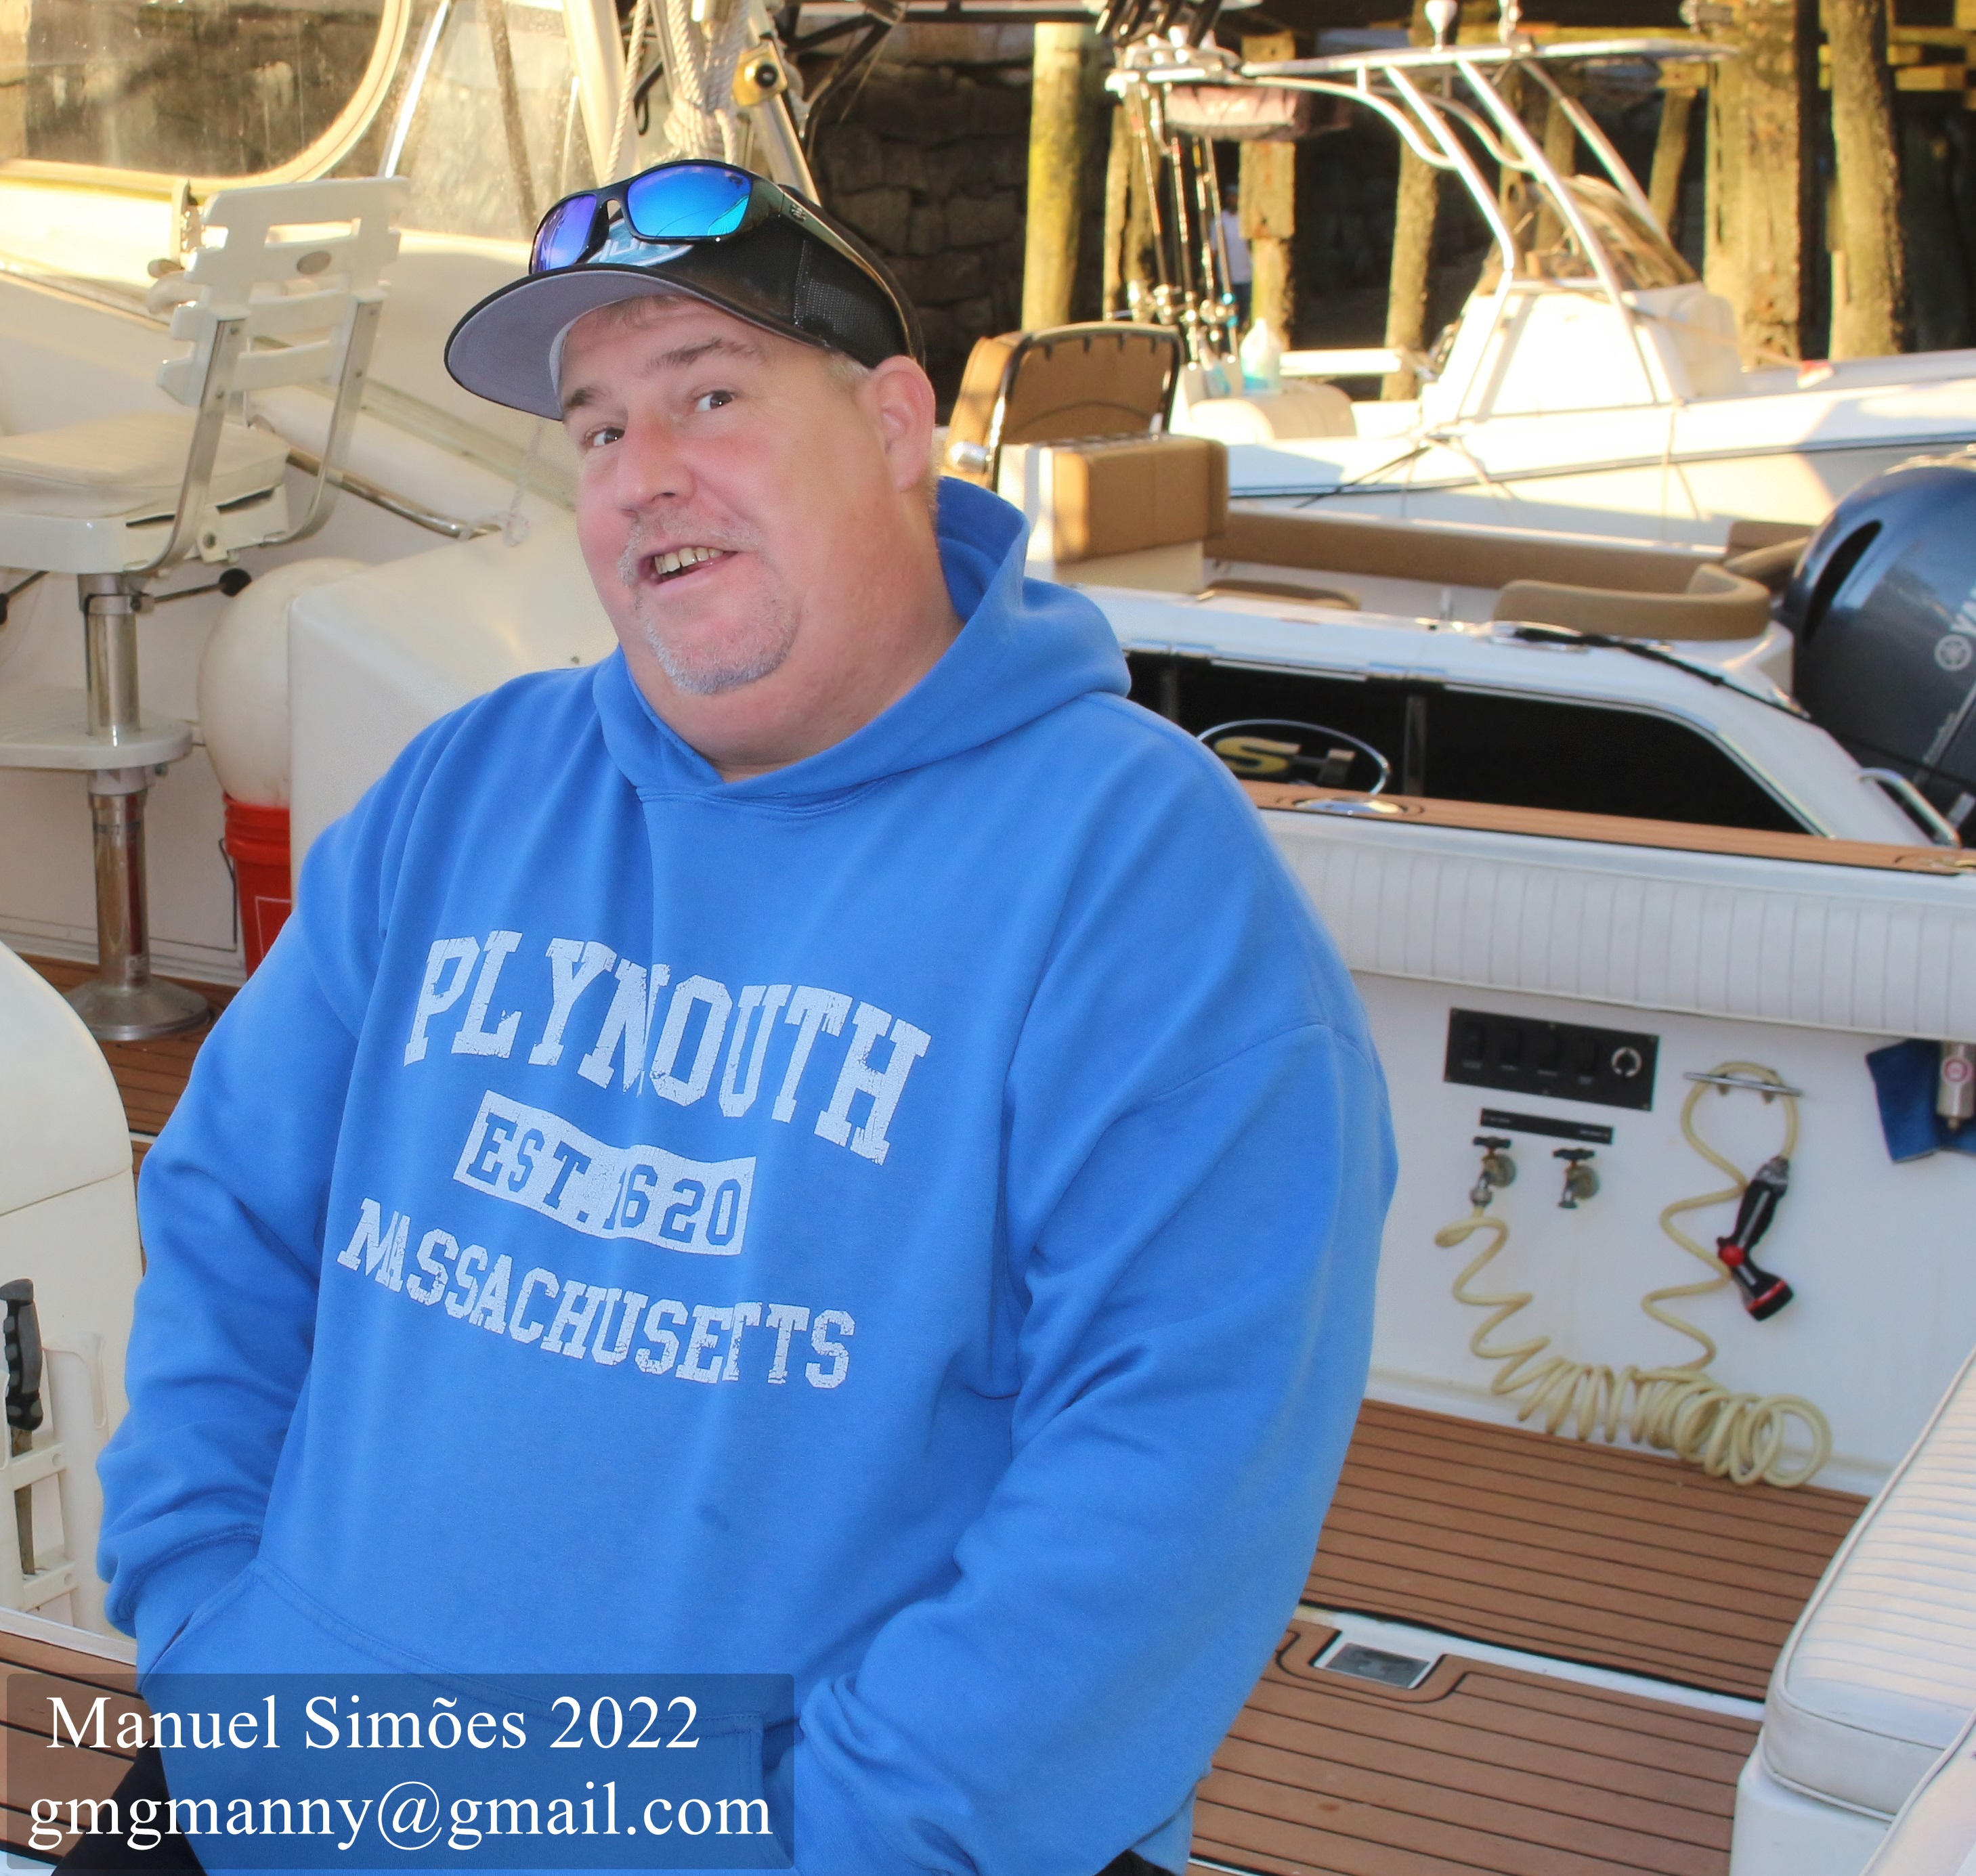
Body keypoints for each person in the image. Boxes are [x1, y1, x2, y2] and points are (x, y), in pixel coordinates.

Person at [92, 160, 1394, 1876]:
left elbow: (1177, 1470)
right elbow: (232, 1212)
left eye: (710, 395)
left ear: (896, 425)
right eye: (598, 429)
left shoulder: (1136, 876)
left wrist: (840, 1845)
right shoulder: (468, 786)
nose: (646, 473)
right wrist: (207, 1629)